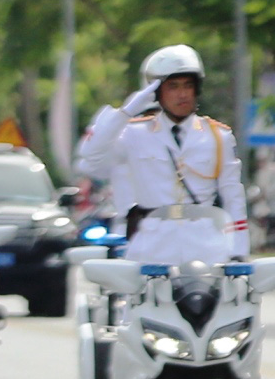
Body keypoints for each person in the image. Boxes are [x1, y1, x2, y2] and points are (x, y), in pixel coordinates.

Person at [77, 45, 248, 266]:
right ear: (156, 93)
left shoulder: (218, 136)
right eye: (173, 87)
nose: (182, 94)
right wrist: (125, 112)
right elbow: (91, 155)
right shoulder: (134, 133)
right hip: (153, 243)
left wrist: (239, 250)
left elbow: (233, 194)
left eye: (188, 86)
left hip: (206, 244)